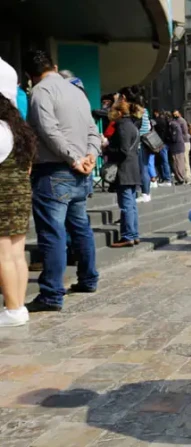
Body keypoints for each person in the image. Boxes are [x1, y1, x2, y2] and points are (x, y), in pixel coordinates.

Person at [25, 50, 99, 312]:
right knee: (80, 227)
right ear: (54, 66)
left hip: (56, 171)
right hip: (80, 172)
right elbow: (93, 130)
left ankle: (52, 294)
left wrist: (73, 158)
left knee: (52, 232)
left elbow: (47, 130)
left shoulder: (40, 92)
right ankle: (89, 278)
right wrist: (90, 155)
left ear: (29, 76)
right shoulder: (76, 91)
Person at [0, 86, 37, 326]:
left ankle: (12, 309)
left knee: (3, 255)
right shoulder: (18, 129)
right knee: (16, 254)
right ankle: (19, 306)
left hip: (3, 196)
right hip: (21, 195)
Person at [105, 100, 142, 248]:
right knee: (131, 204)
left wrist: (107, 150)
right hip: (132, 169)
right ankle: (133, 234)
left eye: (113, 111)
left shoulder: (122, 126)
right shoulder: (132, 125)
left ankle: (128, 235)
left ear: (120, 112)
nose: (110, 114)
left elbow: (123, 151)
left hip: (125, 169)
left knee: (126, 204)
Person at [119, 86, 153, 202]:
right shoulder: (146, 111)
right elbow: (148, 126)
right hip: (146, 142)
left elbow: (141, 128)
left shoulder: (137, 113)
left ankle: (145, 193)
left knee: (142, 168)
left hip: (141, 142)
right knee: (145, 167)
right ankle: (145, 192)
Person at [152, 110, 172, 186]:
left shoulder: (157, 121)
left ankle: (166, 178)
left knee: (162, 161)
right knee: (164, 161)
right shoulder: (166, 121)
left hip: (159, 142)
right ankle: (166, 177)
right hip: (165, 142)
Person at [168, 113, 187, 184]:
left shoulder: (173, 126)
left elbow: (174, 138)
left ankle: (180, 179)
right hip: (180, 146)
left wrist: (169, 137)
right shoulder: (176, 124)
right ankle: (182, 178)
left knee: (177, 164)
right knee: (181, 163)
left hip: (176, 147)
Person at [173, 110, 191, 183]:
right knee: (183, 160)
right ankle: (185, 177)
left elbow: (184, 132)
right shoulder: (179, 120)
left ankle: (188, 177)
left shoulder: (181, 121)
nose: (175, 116)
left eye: (176, 114)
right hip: (184, 142)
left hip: (184, 142)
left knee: (185, 160)